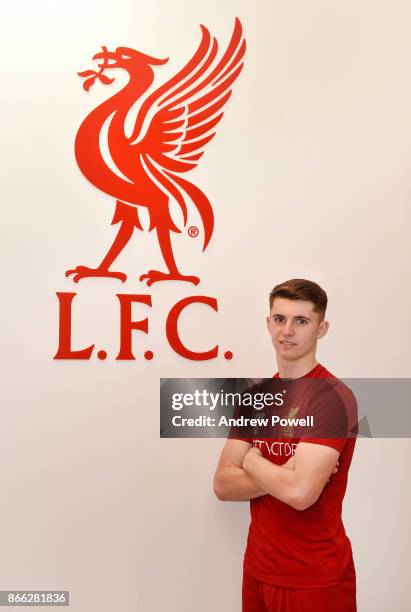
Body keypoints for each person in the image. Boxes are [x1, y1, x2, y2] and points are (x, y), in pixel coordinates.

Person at [213, 278, 357, 612]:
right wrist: (285, 473)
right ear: (268, 324)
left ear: (321, 329)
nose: (287, 330)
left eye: (301, 321)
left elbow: (300, 495)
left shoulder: (333, 398)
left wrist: (250, 460)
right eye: (280, 319)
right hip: (258, 572)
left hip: (315, 579)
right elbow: (221, 484)